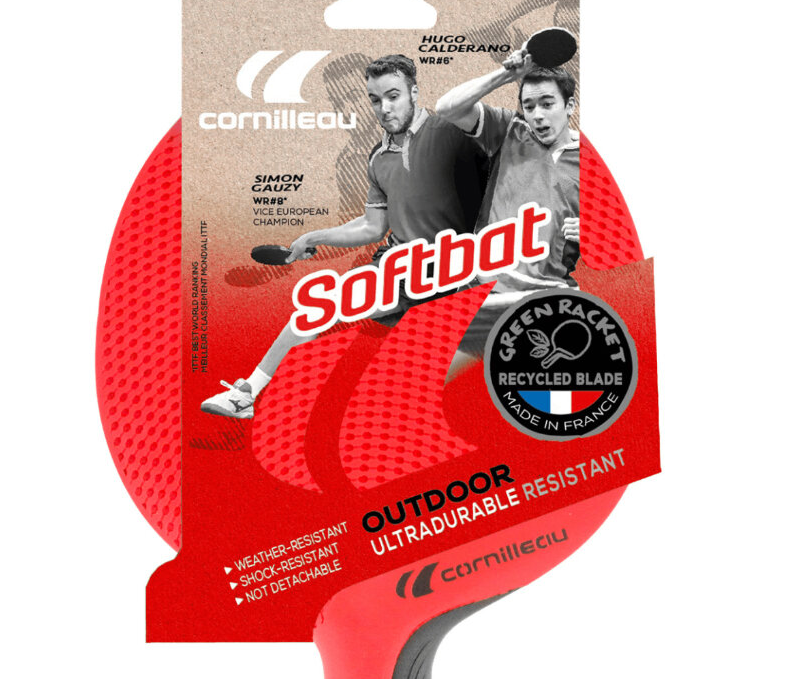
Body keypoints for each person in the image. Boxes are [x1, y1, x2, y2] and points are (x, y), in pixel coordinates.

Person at [201, 54, 487, 418]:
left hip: (455, 274)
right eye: (375, 99)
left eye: (393, 96)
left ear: (414, 92)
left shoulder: (453, 134)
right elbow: (373, 226)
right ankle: (246, 394)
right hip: (399, 270)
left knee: (409, 393)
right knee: (316, 310)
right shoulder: (378, 157)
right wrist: (315, 236)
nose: (384, 108)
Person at [433, 51, 581, 370]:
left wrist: (596, 233)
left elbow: (622, 243)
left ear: (570, 105)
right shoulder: (509, 130)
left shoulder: (594, 163)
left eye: (547, 104)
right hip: (483, 295)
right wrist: (505, 75)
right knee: (418, 386)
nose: (537, 115)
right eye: (529, 106)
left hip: (548, 302)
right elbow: (446, 108)